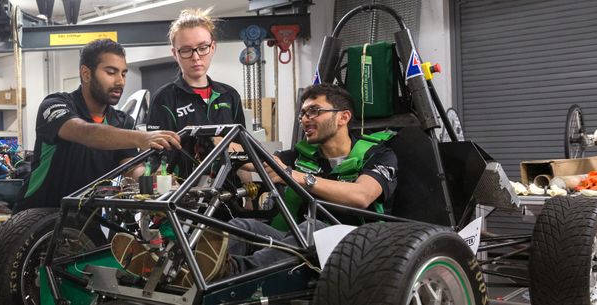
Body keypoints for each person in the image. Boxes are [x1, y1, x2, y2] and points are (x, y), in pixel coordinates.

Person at [114, 84, 399, 280]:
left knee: (310, 227)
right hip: (297, 238)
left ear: (343, 117)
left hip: (355, 242)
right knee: (239, 226)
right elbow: (254, 158)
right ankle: (171, 265)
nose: (305, 119)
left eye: (314, 111)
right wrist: (215, 141)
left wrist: (295, 176)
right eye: (302, 113)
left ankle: (231, 273)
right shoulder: (301, 154)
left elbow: (362, 195)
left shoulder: (378, 153)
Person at [15, 39, 181, 213]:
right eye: (111, 72)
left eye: (123, 74)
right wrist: (143, 137)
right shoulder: (55, 104)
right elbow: (85, 132)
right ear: (86, 74)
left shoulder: (123, 123)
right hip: (36, 217)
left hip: (85, 224)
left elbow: (131, 170)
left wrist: (154, 180)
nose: (120, 81)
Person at [146, 7, 246, 177]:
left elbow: (243, 152)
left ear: (212, 47)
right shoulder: (165, 99)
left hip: (228, 196)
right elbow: (157, 160)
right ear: (174, 54)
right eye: (186, 50)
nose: (196, 57)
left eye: (202, 47)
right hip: (182, 197)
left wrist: (250, 199)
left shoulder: (229, 96)